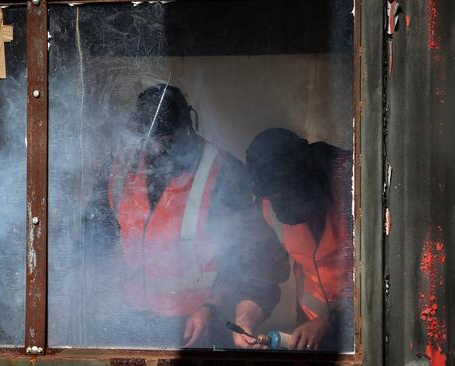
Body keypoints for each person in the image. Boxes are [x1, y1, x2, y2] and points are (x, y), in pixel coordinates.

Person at [91, 84, 289, 348]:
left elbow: (251, 259)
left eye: (167, 139)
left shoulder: (223, 173)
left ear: (187, 129)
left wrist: (212, 307)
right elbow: (96, 234)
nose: (158, 148)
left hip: (199, 324)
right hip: (132, 318)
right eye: (150, 139)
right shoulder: (120, 169)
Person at [242, 128, 354, 351]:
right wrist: (245, 318)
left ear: (304, 176)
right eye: (272, 197)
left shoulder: (350, 186)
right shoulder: (267, 205)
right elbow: (262, 272)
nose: (278, 207)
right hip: (309, 331)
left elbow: (382, 280)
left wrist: (329, 321)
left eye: (283, 194)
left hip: (363, 328)